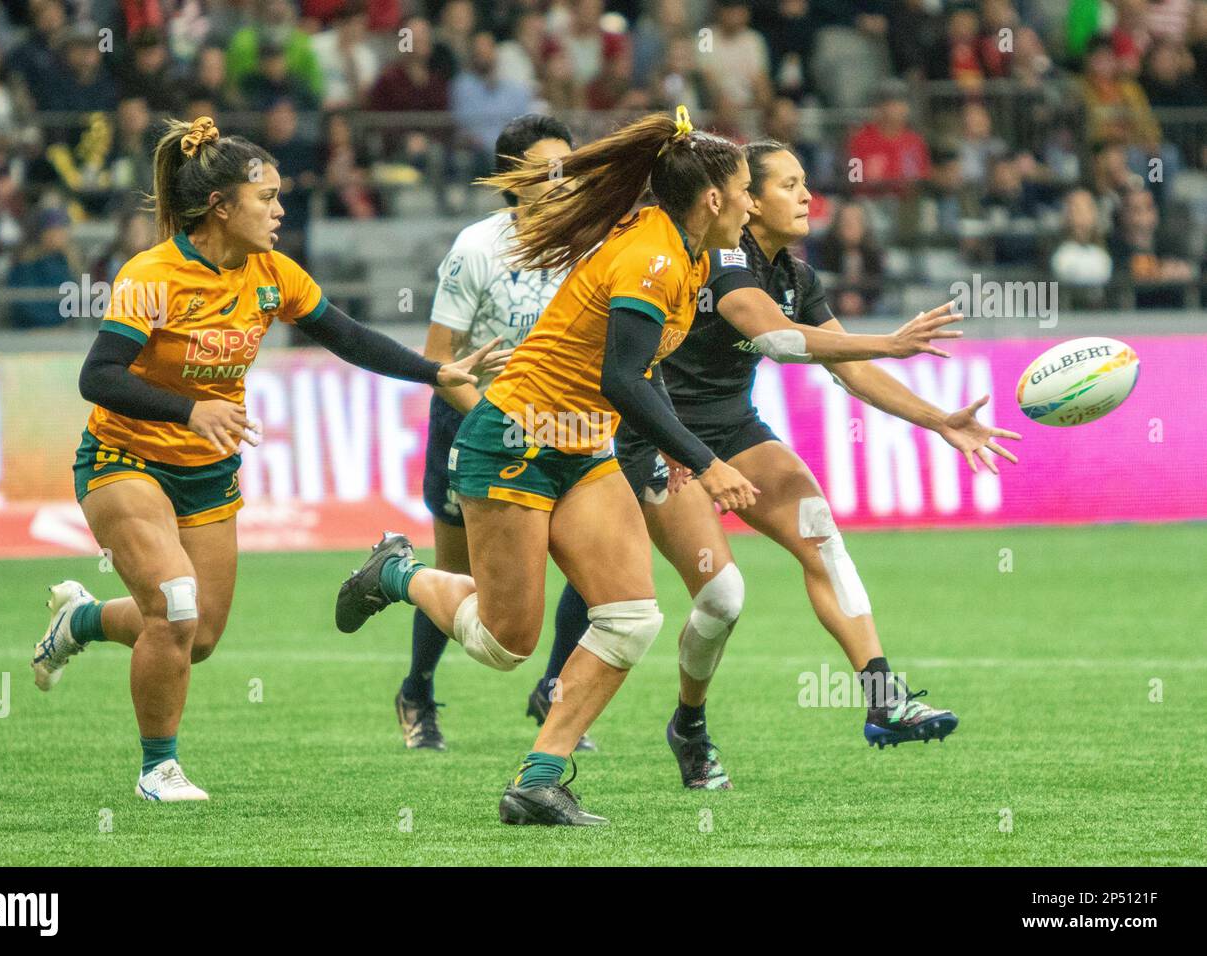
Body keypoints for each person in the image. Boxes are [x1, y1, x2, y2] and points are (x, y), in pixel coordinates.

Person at [29, 116, 505, 802]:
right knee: (175, 602)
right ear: (222, 207)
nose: (281, 210)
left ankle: (79, 620)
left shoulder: (271, 273)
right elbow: (98, 376)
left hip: (207, 473)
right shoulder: (152, 275)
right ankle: (158, 769)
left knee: (197, 635)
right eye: (267, 198)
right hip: (122, 459)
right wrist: (191, 410)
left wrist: (437, 374)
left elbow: (345, 335)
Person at [335, 107, 758, 825]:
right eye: (746, 189)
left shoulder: (683, 252)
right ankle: (395, 574)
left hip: (582, 443)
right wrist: (702, 457)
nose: (750, 204)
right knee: (506, 645)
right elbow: (624, 378)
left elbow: (635, 370)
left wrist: (666, 439)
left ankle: (537, 779)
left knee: (629, 617)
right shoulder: (655, 254)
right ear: (712, 198)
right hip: (514, 439)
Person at [610, 141, 1020, 787]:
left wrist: (940, 420)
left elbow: (849, 372)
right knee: (722, 598)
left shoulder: (798, 276)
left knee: (819, 529)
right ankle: (689, 723)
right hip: (662, 435)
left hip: (733, 427)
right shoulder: (719, 258)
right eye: (787, 184)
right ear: (749, 203)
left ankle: (884, 696)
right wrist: (892, 339)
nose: (806, 196)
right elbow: (773, 335)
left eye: (805, 182)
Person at [397, 113, 596, 753]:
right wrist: (495, 416)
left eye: (569, 166)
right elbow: (439, 361)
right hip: (475, 425)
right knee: (463, 579)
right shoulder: (477, 248)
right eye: (547, 169)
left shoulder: (589, 243)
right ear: (512, 180)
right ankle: (418, 691)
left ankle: (553, 694)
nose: (563, 181)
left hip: (564, 426)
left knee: (598, 567)